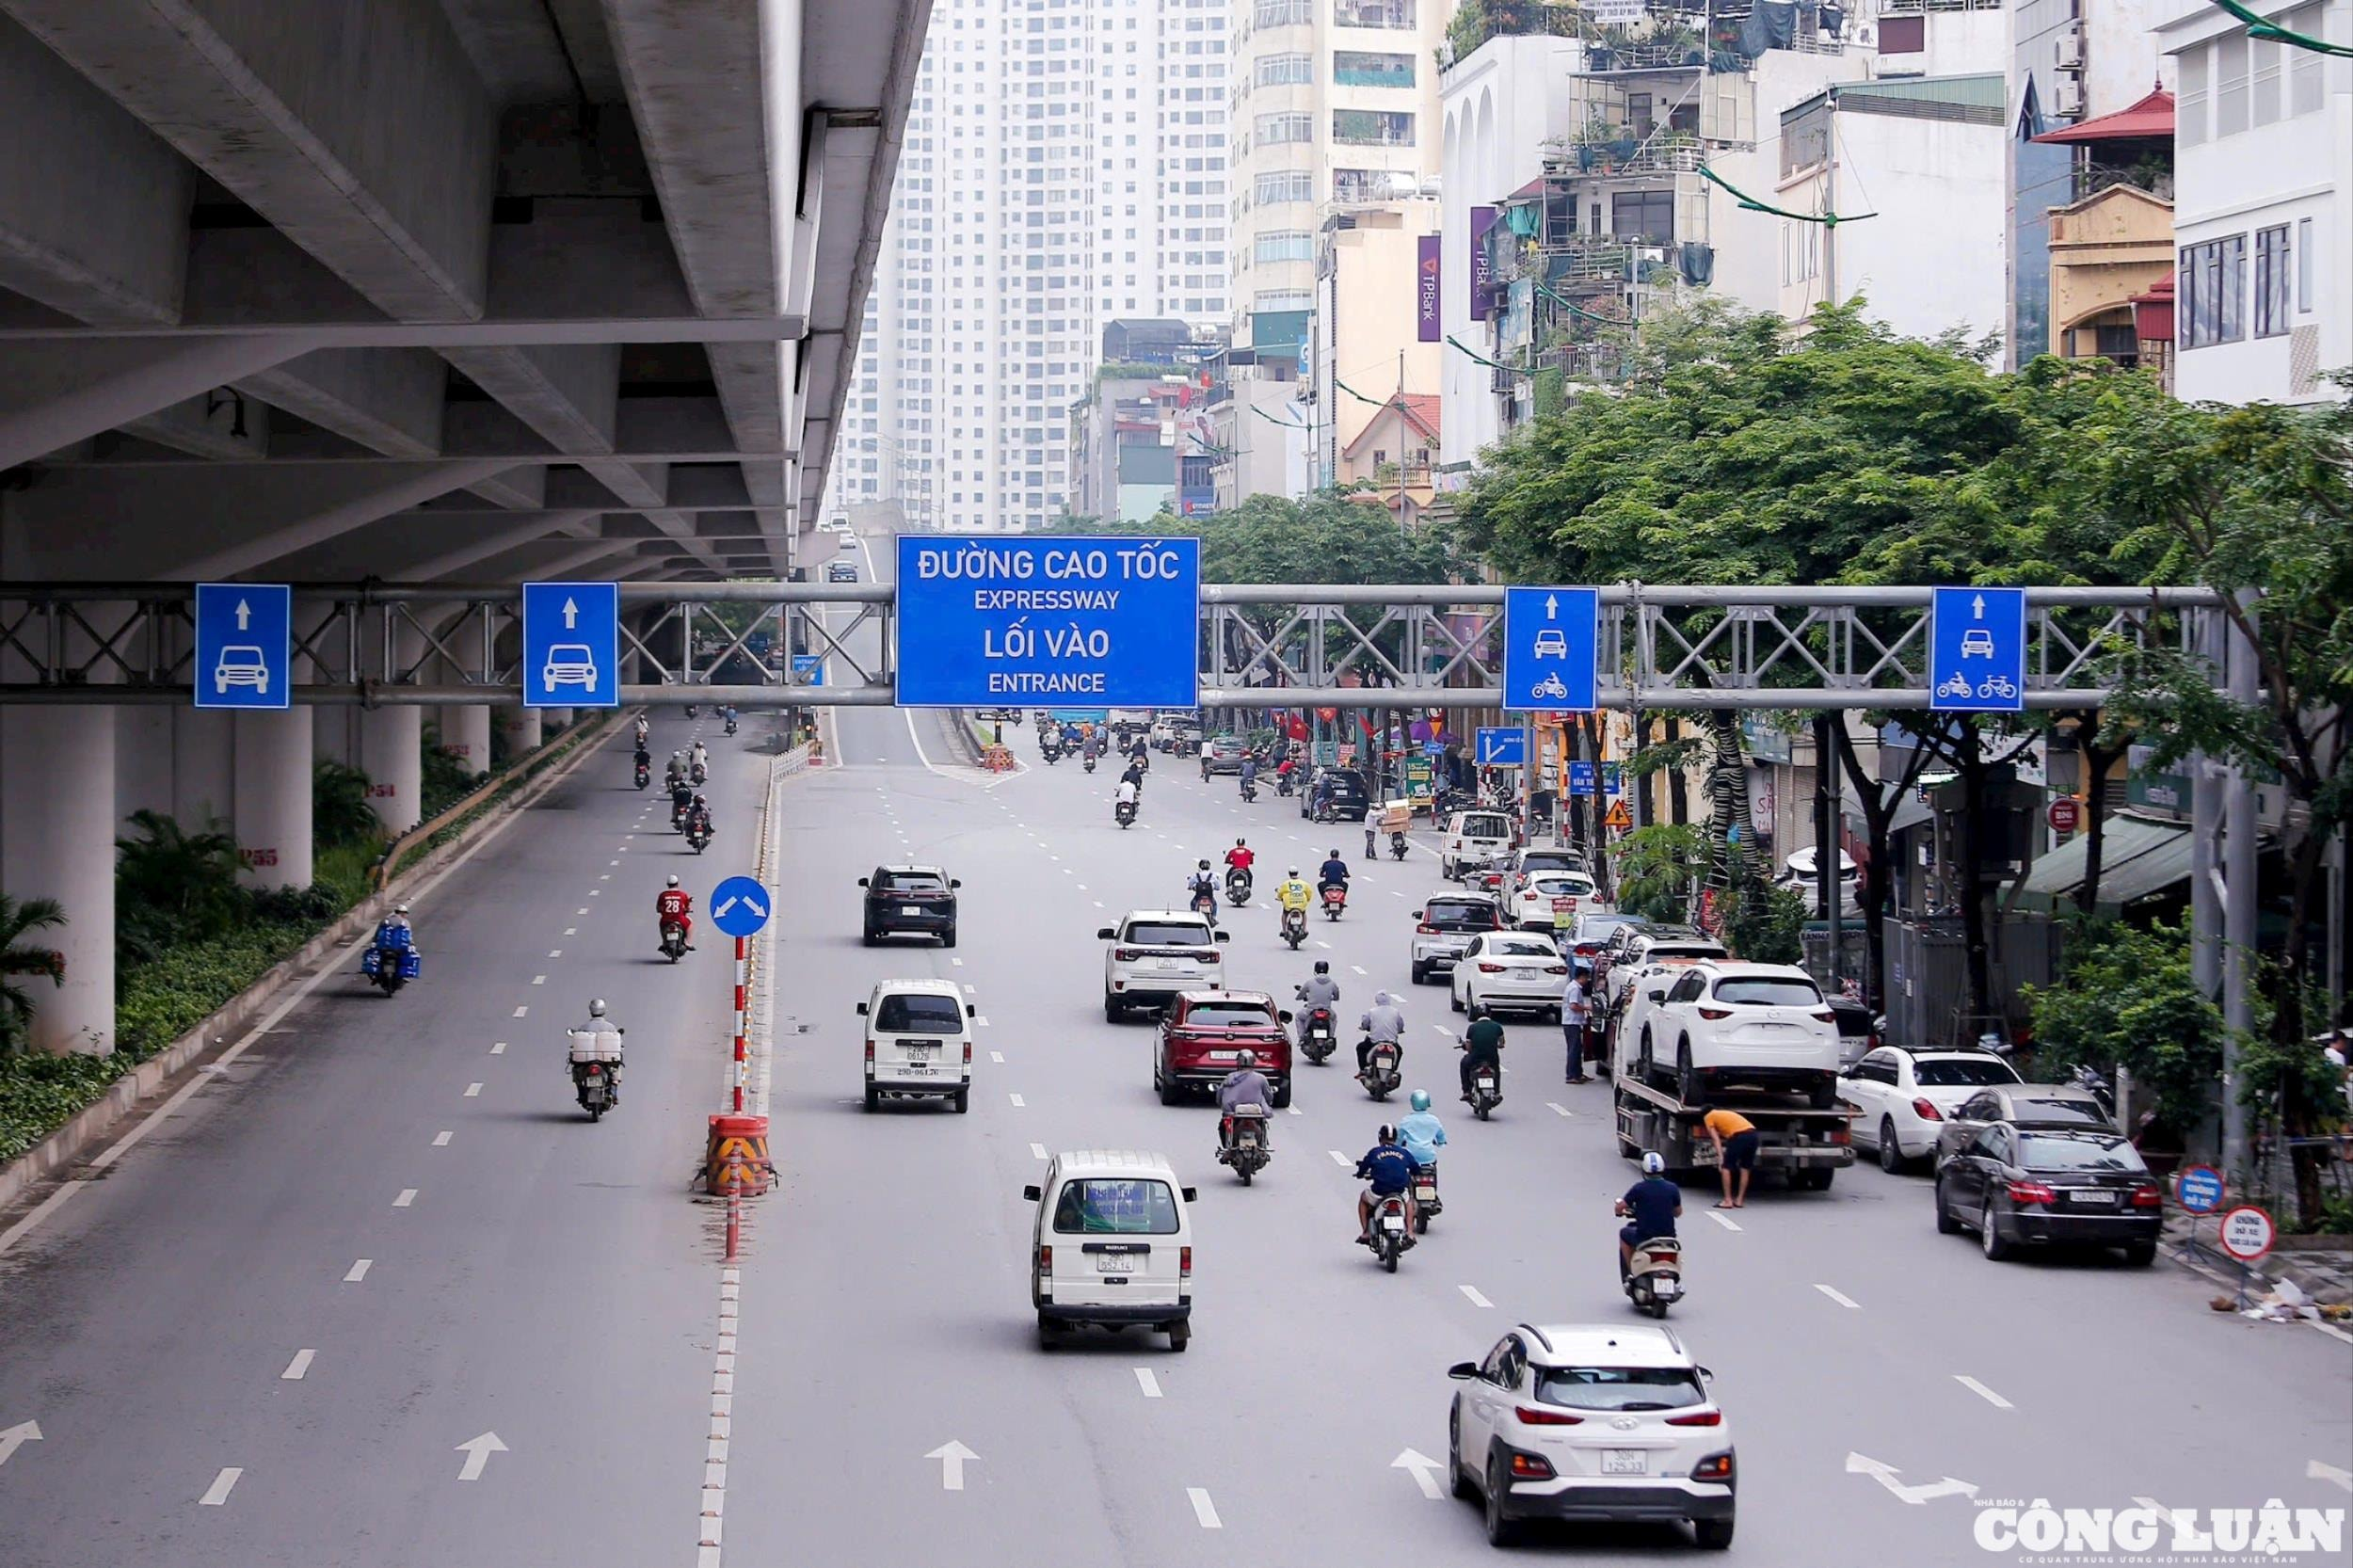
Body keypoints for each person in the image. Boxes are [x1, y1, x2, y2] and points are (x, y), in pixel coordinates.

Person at [1616, 1152, 1683, 1276]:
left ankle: (1631, 1271)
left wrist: (1618, 1211)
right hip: (1668, 1238)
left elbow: (1621, 1207)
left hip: (1644, 1237)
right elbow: (1678, 1212)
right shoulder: (1672, 1188)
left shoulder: (1639, 1189)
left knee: (1624, 1233)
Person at [1354, 1125, 1417, 1240]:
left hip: (1379, 1192)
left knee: (1363, 1199)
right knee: (1409, 1201)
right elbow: (1415, 1168)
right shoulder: (1404, 1152)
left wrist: (1359, 1174)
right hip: (1399, 1192)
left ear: (1380, 1137)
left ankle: (1366, 1232)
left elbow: (1363, 1168)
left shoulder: (1375, 1152)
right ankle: (1410, 1232)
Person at [1701, 1107, 1760, 1208]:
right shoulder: (1723, 1113)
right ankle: (1739, 1200)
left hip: (1739, 1136)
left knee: (1726, 1167)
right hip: (1753, 1135)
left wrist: (1720, 1158)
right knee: (1745, 1168)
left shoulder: (1708, 1116)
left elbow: (1716, 1139)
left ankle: (1728, 1200)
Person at [1216, 1048, 1274, 1151]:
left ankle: (1227, 1149)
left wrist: (1222, 1105)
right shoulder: (1261, 1078)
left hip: (1234, 1112)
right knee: (1263, 1122)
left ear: (1238, 1063)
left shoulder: (1230, 1077)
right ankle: (1263, 1146)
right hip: (1255, 1113)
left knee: (1223, 1126)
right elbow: (1269, 1097)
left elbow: (1220, 1096)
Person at [1460, 1004, 1505, 1102]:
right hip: (1492, 1058)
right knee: (1496, 1070)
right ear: (1489, 1013)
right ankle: (1496, 1092)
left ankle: (1466, 1091)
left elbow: (1468, 1047)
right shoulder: (1497, 1026)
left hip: (1475, 1058)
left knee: (1464, 1064)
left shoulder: (1472, 1027)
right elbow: (1501, 1043)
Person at [1396, 1089, 1448, 1174]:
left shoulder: (1406, 1120)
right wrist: (1441, 1143)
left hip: (1410, 1157)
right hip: (1429, 1157)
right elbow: (1441, 1138)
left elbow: (1398, 1139)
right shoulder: (1434, 1120)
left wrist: (1398, 1145)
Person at [1359, 989, 1406, 1074]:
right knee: (1399, 1051)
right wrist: (1399, 1030)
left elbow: (1365, 1024)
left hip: (1375, 1042)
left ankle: (1363, 1070)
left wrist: (1364, 1027)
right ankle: (1394, 1069)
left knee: (1360, 1048)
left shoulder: (1372, 1011)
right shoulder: (1395, 1012)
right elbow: (1400, 1025)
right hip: (1391, 1042)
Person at [1294, 958, 1341, 1043]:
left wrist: (1301, 997)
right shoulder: (1332, 983)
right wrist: (1332, 998)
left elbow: (1300, 995)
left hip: (1311, 1010)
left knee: (1298, 1016)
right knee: (1334, 1018)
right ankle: (1330, 1037)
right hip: (1327, 1011)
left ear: (1315, 970)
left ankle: (1301, 1038)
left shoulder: (1310, 982)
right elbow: (1337, 996)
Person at [1563, 971, 1593, 1084]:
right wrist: (1587, 1008)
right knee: (1573, 1049)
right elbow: (1573, 1006)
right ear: (1582, 977)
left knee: (1577, 1049)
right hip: (1572, 1022)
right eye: (1586, 978)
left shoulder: (1573, 986)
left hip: (1573, 1022)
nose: (1587, 981)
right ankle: (1571, 1075)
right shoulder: (1575, 989)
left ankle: (1578, 1073)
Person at [656, 875, 695, 951]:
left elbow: (658, 908)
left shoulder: (663, 895)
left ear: (668, 884)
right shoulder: (682, 895)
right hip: (680, 919)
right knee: (690, 923)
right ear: (677, 884)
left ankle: (664, 942)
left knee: (661, 925)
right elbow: (687, 907)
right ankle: (687, 942)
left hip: (666, 920)